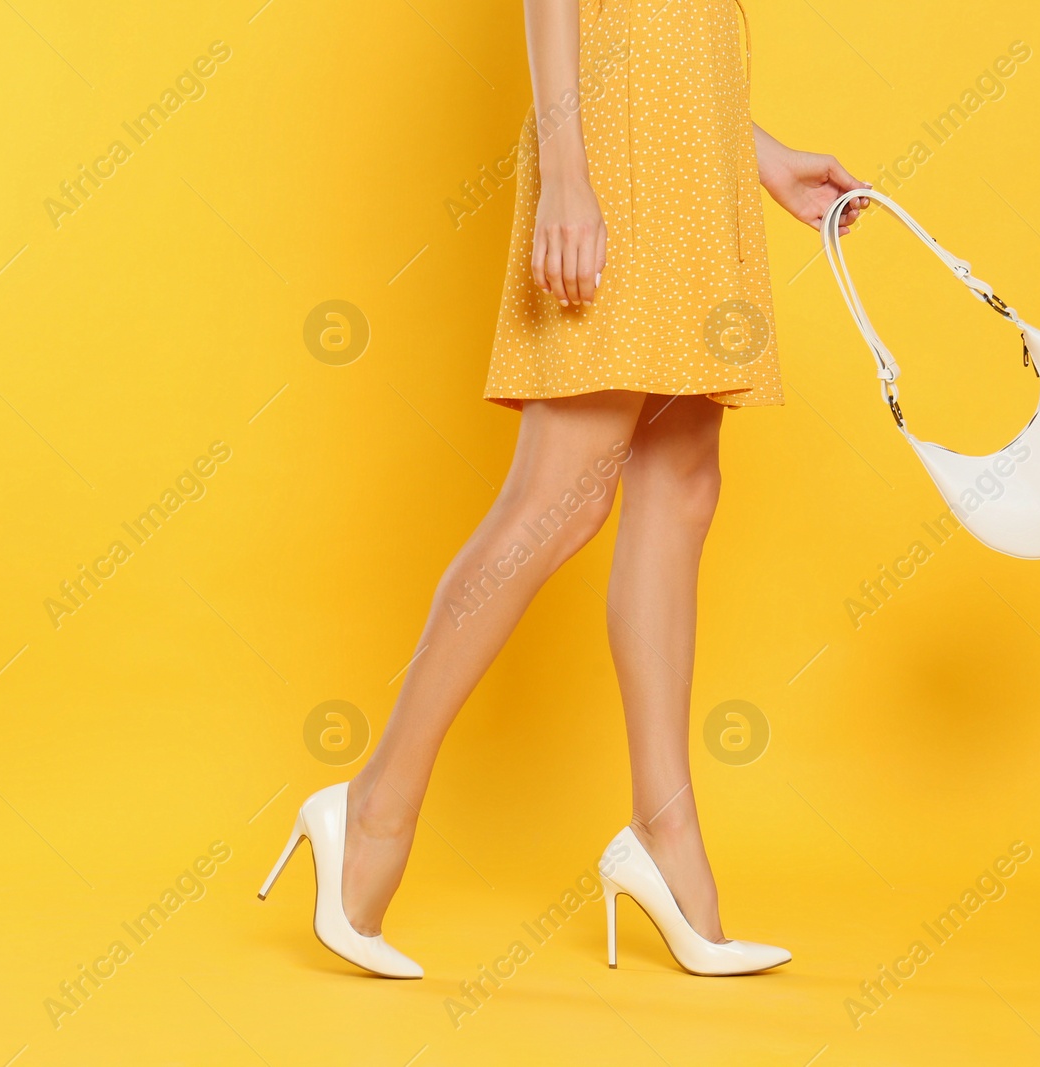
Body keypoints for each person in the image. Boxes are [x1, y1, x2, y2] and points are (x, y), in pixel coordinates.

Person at [260, 0, 870, 977]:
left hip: (685, 151)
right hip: (608, 157)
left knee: (682, 483)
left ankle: (666, 839)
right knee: (563, 491)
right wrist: (566, 172)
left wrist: (753, 152)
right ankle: (370, 806)